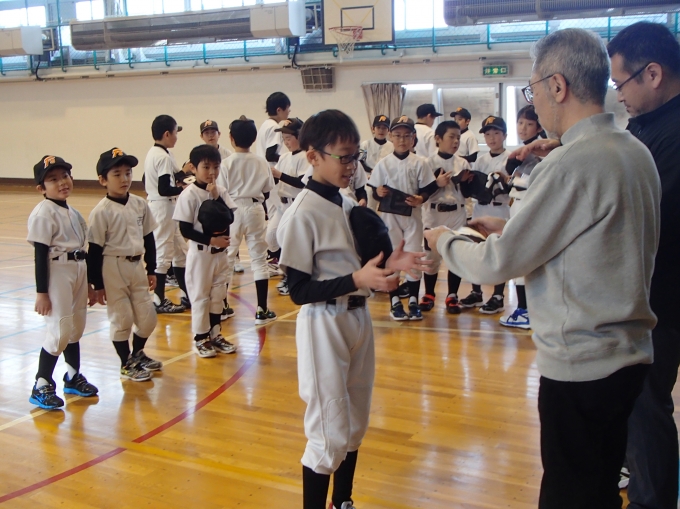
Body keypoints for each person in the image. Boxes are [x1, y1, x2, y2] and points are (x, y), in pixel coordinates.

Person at [426, 28, 660, 509]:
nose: (534, 101)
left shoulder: (572, 163)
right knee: (598, 488)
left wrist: (444, 240)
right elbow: (592, 238)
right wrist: (510, 227)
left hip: (581, 366)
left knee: (569, 495)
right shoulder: (634, 151)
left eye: (533, 89)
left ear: (558, 86)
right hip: (628, 358)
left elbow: (497, 263)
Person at [276, 109, 429, 509]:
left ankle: (342, 501)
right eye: (342, 157)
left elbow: (357, 263)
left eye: (354, 156)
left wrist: (389, 264)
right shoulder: (302, 213)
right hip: (323, 322)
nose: (351, 165)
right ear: (313, 156)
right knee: (328, 431)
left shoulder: (345, 202)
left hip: (358, 317)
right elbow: (298, 291)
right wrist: (357, 279)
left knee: (355, 422)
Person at [607, 21, 680, 509]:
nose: (619, 96)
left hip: (662, 297)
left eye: (621, 84)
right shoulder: (648, 123)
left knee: (647, 404)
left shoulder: (674, 134)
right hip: (649, 292)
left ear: (652, 74)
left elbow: (644, 213)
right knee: (641, 404)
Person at [27, 155, 98, 409]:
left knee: (76, 326)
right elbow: (39, 255)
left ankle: (72, 376)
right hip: (57, 271)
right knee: (60, 329)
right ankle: (41, 383)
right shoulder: (43, 213)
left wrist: (88, 285)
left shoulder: (74, 213)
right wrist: (41, 292)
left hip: (78, 269)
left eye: (65, 176)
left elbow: (84, 251)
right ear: (41, 188)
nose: (62, 182)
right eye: (53, 179)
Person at [88, 148, 161, 382]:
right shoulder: (101, 212)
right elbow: (94, 251)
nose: (124, 179)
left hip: (136, 266)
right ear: (103, 180)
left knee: (148, 317)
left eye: (128, 173)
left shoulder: (139, 204)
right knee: (122, 319)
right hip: (113, 267)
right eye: (117, 174)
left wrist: (152, 268)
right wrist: (97, 284)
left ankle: (137, 353)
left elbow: (148, 237)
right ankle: (125, 362)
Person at [368, 116, 443, 321]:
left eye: (406, 136)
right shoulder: (383, 163)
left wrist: (421, 198)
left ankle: (412, 300)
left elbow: (428, 188)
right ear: (391, 137)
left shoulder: (420, 162)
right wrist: (378, 193)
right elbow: (375, 190)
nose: (402, 140)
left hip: (412, 216)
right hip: (390, 217)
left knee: (413, 255)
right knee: (392, 256)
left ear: (413, 138)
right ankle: (394, 301)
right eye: (398, 135)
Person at [174, 144, 238, 358]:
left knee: (218, 295)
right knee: (201, 297)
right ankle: (200, 338)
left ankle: (215, 333)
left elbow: (230, 217)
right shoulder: (189, 195)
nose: (212, 172)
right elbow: (185, 229)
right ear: (193, 168)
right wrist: (212, 240)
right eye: (206, 167)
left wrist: (217, 197)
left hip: (220, 254)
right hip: (201, 253)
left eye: (216, 167)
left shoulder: (221, 191)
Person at [219, 116, 278, 325]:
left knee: (227, 258)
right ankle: (261, 309)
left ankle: (222, 306)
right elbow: (267, 190)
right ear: (254, 138)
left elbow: (221, 191)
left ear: (231, 138)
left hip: (232, 209)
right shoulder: (261, 162)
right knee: (259, 259)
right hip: (255, 208)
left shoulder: (226, 163)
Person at [418, 120, 471, 315]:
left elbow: (467, 194)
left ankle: (452, 295)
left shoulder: (462, 162)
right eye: (451, 137)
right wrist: (436, 182)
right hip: (433, 214)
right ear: (438, 139)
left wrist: (464, 181)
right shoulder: (427, 163)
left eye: (458, 137)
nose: (456, 141)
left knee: (455, 255)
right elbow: (422, 192)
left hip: (456, 213)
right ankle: (429, 294)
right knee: (431, 256)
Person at [458, 115, 510, 314]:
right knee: (477, 250)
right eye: (488, 134)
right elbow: (471, 189)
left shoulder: (510, 159)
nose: (492, 138)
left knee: (499, 253)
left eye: (496, 133)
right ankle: (476, 292)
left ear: (505, 135)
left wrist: (504, 180)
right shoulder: (480, 160)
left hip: (500, 209)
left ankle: (498, 295)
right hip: (481, 208)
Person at [498, 105, 544, 330]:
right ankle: (527, 309)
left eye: (529, 124)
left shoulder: (541, 149)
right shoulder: (522, 149)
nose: (523, 128)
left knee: (521, 256)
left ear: (539, 127)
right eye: (520, 123)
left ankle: (525, 310)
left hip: (527, 205)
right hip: (517, 203)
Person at [143, 114, 189, 313]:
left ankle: (187, 294)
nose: (177, 137)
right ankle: (158, 299)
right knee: (163, 253)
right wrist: (183, 189)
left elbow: (174, 176)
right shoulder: (161, 156)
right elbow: (164, 188)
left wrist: (186, 173)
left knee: (180, 251)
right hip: (162, 207)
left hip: (166, 207)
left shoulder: (159, 152)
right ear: (167, 134)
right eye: (176, 132)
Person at [268, 117, 307, 297]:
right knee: (271, 237)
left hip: (296, 205)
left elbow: (301, 182)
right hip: (282, 205)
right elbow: (276, 179)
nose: (286, 142)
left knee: (290, 242)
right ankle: (284, 269)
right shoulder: (284, 157)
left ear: (299, 136)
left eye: (289, 138)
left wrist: (279, 174)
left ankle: (290, 276)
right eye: (283, 138)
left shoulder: (305, 156)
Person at [256, 92, 291, 272]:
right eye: (287, 110)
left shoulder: (264, 125)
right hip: (273, 178)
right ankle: (277, 256)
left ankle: (273, 256)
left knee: (274, 218)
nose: (288, 113)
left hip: (266, 178)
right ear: (279, 109)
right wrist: (287, 157)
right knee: (281, 218)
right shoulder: (274, 127)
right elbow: (270, 154)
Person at [359, 115, 394, 210]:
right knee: (369, 207)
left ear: (388, 130)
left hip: (385, 181)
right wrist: (372, 170)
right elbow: (360, 161)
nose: (381, 130)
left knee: (385, 208)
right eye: (378, 127)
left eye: (384, 128)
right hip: (368, 179)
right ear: (373, 129)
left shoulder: (392, 147)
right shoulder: (366, 144)